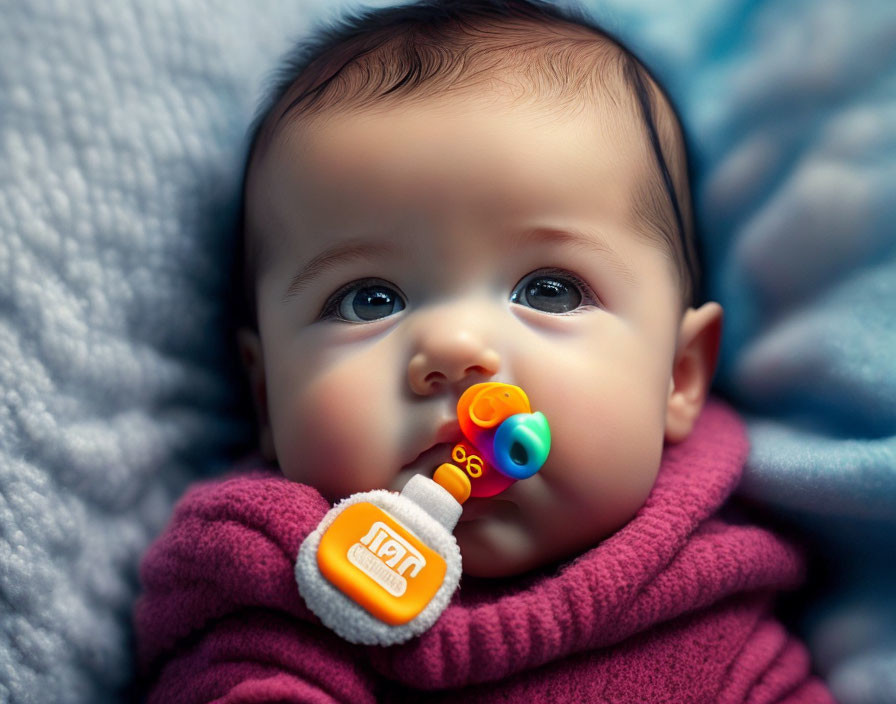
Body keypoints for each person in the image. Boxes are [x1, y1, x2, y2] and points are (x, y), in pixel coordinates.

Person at [135, 1, 835, 700]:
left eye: (551, 290)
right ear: (268, 399)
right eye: (368, 301)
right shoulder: (273, 584)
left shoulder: (719, 616)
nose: (454, 349)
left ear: (677, 379)